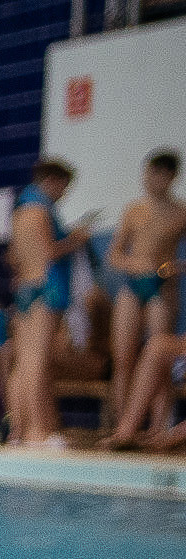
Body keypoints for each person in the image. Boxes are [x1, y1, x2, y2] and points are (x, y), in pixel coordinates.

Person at [6, 158, 92, 448]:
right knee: (37, 363)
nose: (64, 194)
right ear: (52, 181)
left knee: (23, 364)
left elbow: (14, 258)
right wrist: (76, 238)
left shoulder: (20, 209)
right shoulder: (41, 210)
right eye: (63, 187)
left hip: (26, 290)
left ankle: (17, 430)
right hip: (46, 290)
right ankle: (38, 431)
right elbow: (49, 252)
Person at [106, 150, 185, 418]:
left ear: (171, 177)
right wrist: (135, 264)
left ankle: (159, 425)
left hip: (162, 287)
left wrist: (174, 267)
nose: (152, 180)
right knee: (123, 357)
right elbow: (114, 255)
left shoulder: (180, 212)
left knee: (160, 357)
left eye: (159, 175)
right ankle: (122, 423)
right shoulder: (134, 211)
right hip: (132, 285)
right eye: (149, 174)